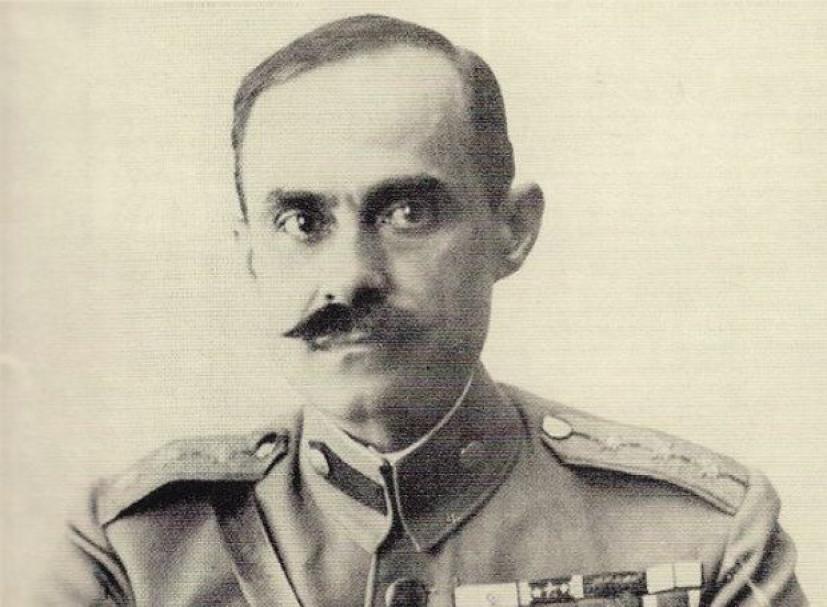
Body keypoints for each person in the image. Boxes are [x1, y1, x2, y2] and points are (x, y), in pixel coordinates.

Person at [38, 14, 806, 607]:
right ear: (250, 254)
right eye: (301, 222)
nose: (348, 277)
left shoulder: (701, 535)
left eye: (406, 211)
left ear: (511, 229)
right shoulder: (137, 547)